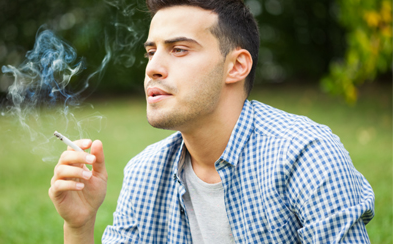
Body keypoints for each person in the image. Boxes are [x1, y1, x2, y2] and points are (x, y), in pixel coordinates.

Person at [49, 0, 375, 243]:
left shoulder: (305, 155)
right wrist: (79, 225)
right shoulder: (145, 172)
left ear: (236, 66)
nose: (153, 69)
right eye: (151, 53)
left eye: (178, 49)